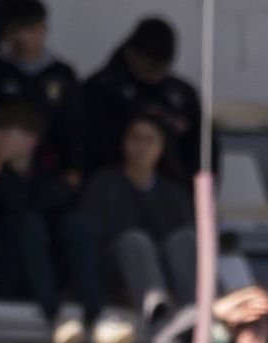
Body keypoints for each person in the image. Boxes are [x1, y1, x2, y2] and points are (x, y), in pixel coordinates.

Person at [0, 102, 112, 343]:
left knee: (77, 224)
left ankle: (96, 312)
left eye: (6, 133)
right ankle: (54, 317)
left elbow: (53, 205)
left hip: (42, 271)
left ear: (31, 140)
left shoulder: (46, 175)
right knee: (28, 224)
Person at [79, 111, 195, 328]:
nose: (142, 146)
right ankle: (157, 310)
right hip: (114, 273)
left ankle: (195, 311)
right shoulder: (103, 185)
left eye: (150, 140)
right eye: (135, 138)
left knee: (185, 238)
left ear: (162, 147)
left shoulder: (174, 192)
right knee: (135, 240)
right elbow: (92, 240)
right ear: (124, 143)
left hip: (167, 275)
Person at [0, 0, 82, 179]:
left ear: (43, 29)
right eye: (15, 30)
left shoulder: (62, 74)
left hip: (51, 169)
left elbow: (73, 125)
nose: (22, 37)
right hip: (2, 167)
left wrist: (73, 167)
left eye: (29, 29)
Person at [82, 18, 202, 178]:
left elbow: (203, 151)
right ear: (132, 54)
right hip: (113, 186)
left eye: (161, 67)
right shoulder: (102, 89)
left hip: (172, 189)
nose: (154, 74)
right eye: (149, 66)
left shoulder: (183, 94)